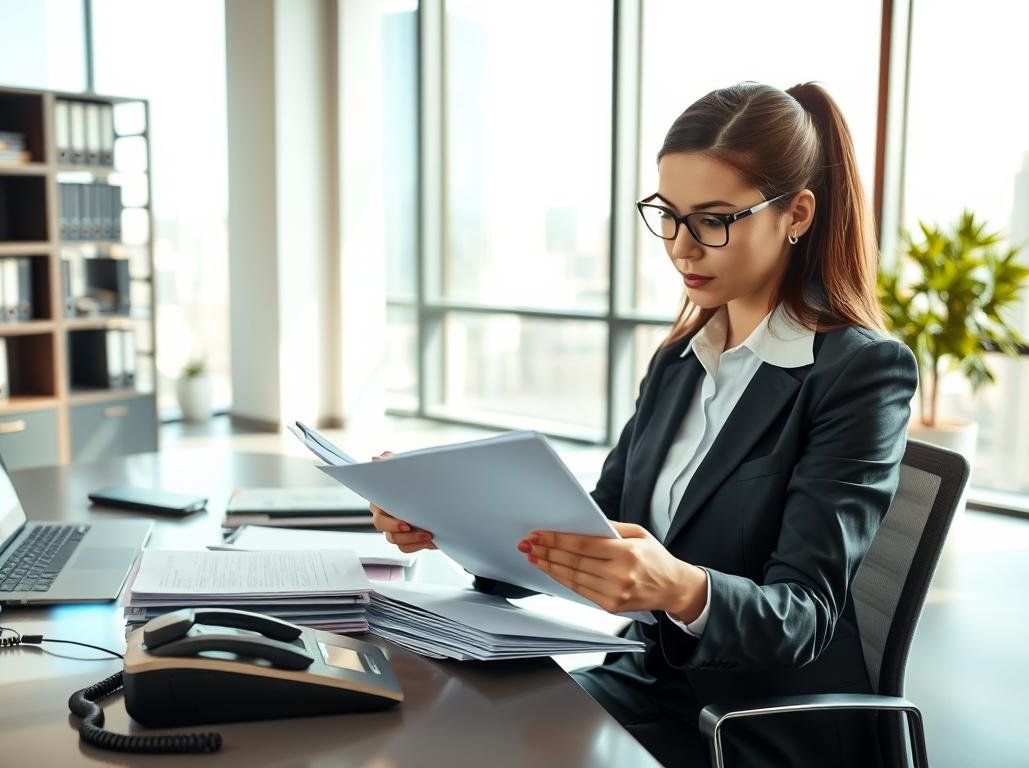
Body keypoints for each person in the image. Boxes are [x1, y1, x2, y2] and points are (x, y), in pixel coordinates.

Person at [370, 81, 918, 768]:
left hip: (756, 727)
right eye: (669, 215)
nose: (683, 248)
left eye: (714, 220)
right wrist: (447, 519)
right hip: (648, 688)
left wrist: (679, 588)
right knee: (432, 713)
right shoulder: (679, 362)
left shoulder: (858, 373)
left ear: (797, 214)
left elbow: (802, 616)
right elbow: (594, 528)